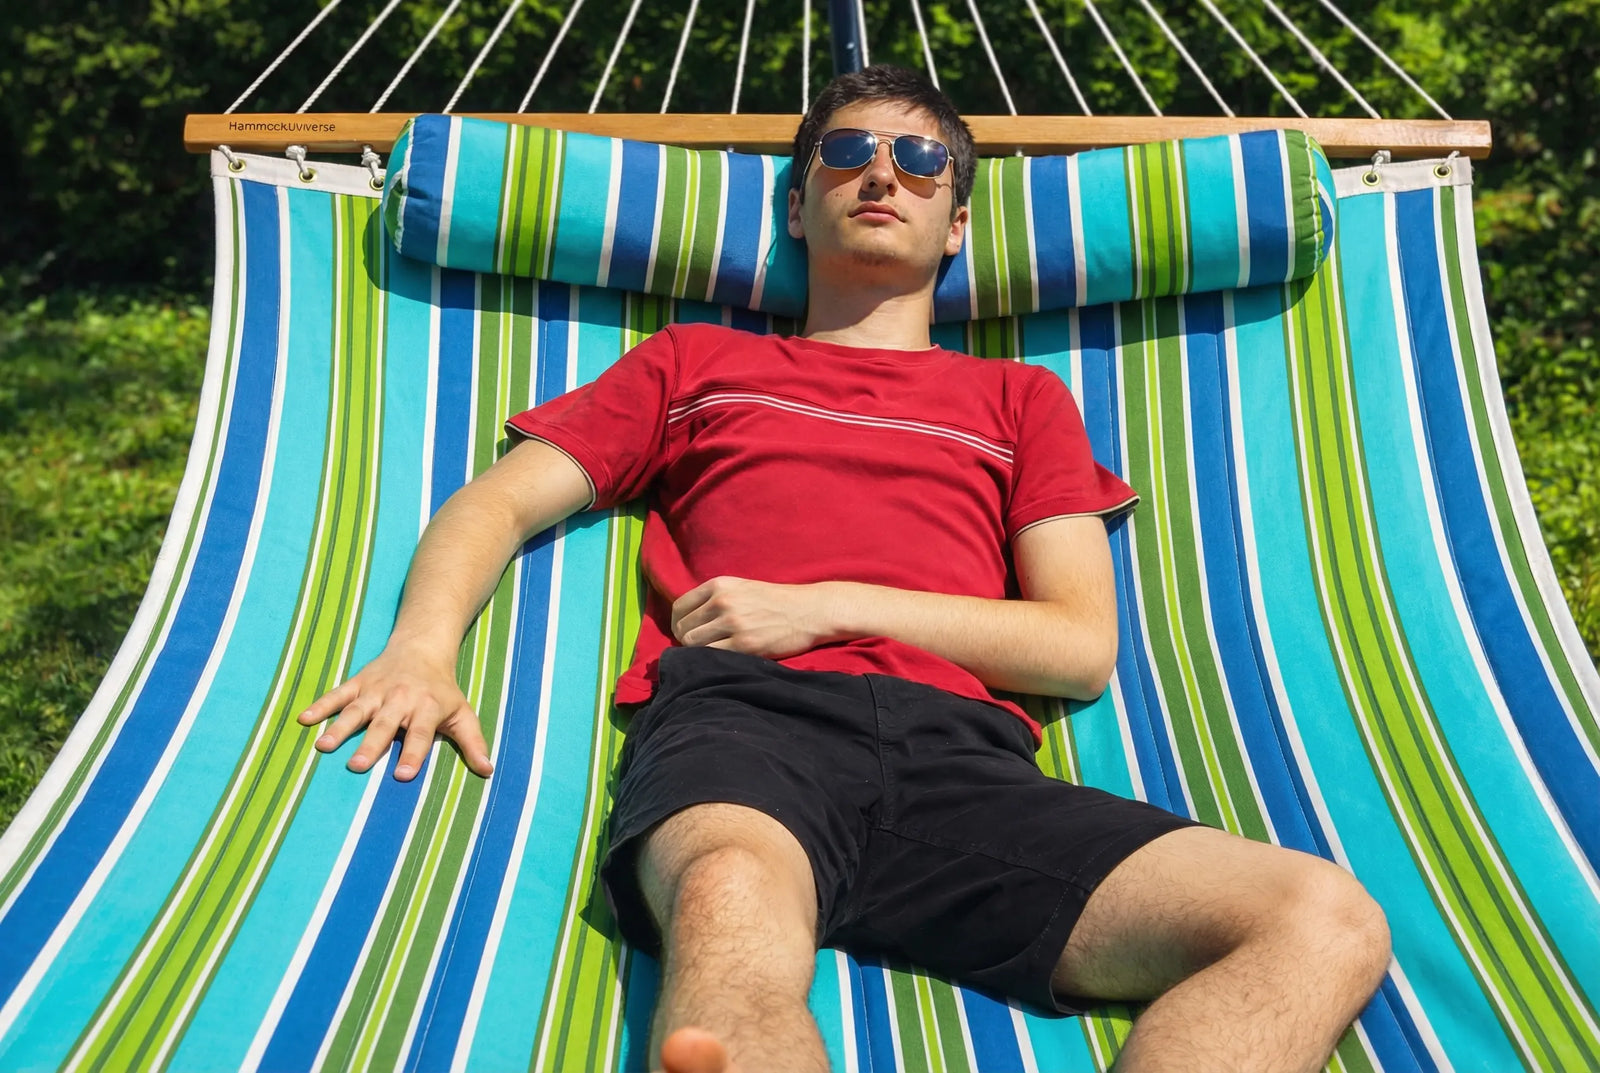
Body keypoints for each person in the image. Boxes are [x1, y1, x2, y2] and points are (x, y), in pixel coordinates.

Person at [298, 65, 1391, 1073]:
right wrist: (422, 645)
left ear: (957, 223)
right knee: (726, 900)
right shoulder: (698, 361)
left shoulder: (1019, 401)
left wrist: (825, 606)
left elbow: (1078, 645)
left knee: (1323, 917)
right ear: (795, 203)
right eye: (845, 152)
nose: (881, 173)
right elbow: (501, 498)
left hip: (966, 767)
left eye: (921, 163)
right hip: (744, 730)